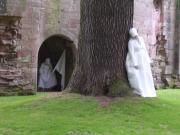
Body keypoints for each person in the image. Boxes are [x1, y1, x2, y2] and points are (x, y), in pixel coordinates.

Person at [126, 28, 157, 97]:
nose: (135, 36)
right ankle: (140, 89)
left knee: (145, 73)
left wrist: (148, 59)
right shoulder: (130, 42)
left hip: (143, 59)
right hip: (137, 59)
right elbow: (131, 53)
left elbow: (144, 49)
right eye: (134, 35)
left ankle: (148, 89)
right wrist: (135, 63)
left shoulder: (141, 39)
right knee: (139, 74)